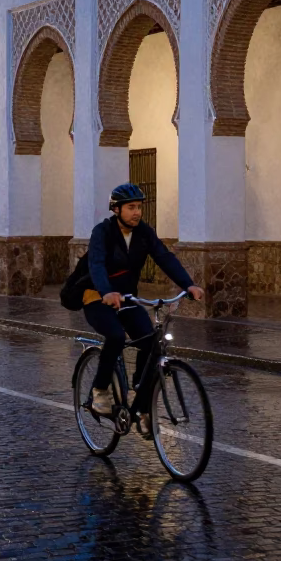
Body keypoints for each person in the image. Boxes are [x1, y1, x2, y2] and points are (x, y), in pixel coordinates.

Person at [82, 183, 204, 437]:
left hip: (128, 299)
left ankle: (143, 403)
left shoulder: (144, 233)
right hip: (97, 298)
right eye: (130, 207)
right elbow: (96, 264)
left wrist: (188, 284)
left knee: (150, 342)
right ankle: (100, 391)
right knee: (115, 336)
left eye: (138, 207)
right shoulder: (102, 232)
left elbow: (164, 257)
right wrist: (106, 291)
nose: (136, 212)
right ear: (116, 209)